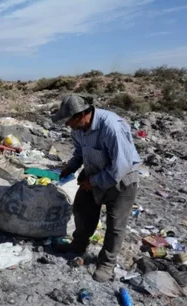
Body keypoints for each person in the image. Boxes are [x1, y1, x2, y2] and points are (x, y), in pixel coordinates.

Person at [51, 95, 140, 283]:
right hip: (94, 174)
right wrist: (71, 166)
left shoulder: (111, 127)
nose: (68, 126)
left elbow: (121, 165)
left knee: (115, 225)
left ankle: (107, 263)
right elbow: (80, 152)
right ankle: (78, 245)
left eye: (69, 121)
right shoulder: (78, 129)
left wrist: (93, 182)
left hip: (121, 181)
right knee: (82, 210)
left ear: (82, 114)